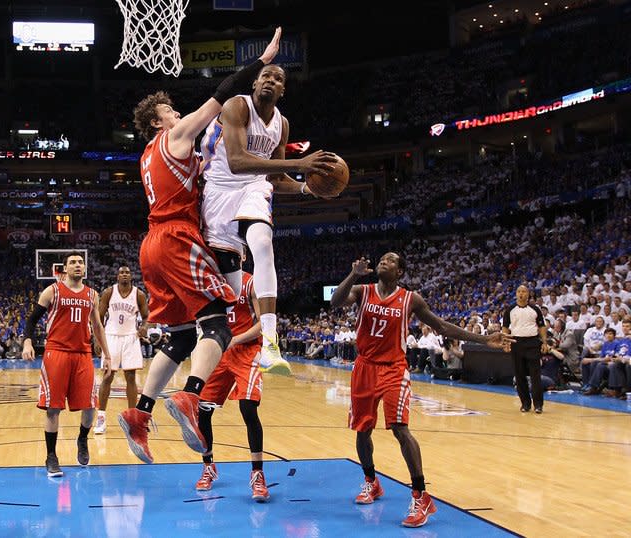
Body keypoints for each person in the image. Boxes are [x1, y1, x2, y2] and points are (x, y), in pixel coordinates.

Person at [117, 30, 283, 465]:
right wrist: (260, 61)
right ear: (159, 121)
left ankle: (140, 413)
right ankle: (191, 398)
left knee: (179, 336)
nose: (177, 112)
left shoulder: (148, 156)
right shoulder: (176, 135)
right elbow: (221, 94)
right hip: (175, 238)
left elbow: (195, 173)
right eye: (170, 110)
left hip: (150, 245)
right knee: (218, 326)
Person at [331, 253, 513, 528]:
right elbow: (334, 302)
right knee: (362, 429)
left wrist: (485, 339)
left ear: (400, 272)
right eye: (382, 259)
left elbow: (441, 325)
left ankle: (420, 495)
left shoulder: (410, 299)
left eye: (390, 261)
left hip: (394, 368)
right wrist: (354, 274)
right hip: (364, 367)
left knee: (400, 428)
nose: (383, 262)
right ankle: (371, 482)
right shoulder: (362, 290)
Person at [199, 60, 338, 376]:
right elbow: (236, 162)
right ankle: (200, 342)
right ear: (254, 83)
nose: (271, 81)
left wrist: (306, 188)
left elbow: (273, 179)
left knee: (262, 243)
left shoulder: (281, 124)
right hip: (219, 192)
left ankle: (270, 342)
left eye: (278, 78)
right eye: (266, 76)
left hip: (253, 186)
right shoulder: (237, 106)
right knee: (229, 292)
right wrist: (300, 164)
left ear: (283, 89)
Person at [22, 251, 113, 478]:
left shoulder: (92, 294)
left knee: (91, 405)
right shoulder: (52, 291)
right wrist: (27, 342)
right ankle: (51, 456)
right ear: (64, 268)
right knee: (53, 408)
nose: (77, 265)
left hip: (83, 353)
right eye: (72, 262)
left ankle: (82, 440)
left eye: (80, 262)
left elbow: (98, 326)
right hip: (57, 352)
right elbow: (32, 319)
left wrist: (108, 355)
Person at [194, 272, 268, 501]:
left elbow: (263, 324)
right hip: (220, 351)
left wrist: (234, 339)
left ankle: (258, 474)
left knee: (247, 408)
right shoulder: (210, 284)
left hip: (248, 350)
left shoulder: (251, 282)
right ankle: (208, 466)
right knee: (202, 410)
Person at [94, 265, 149, 435]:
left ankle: (132, 418)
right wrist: (97, 339)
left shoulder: (138, 294)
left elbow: (147, 316)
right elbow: (99, 316)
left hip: (130, 337)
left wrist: (144, 327)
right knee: (108, 376)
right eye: (121, 272)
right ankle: (101, 418)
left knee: (131, 377)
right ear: (117, 276)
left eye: (127, 272)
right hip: (110, 336)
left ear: (131, 276)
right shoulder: (109, 292)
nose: (124, 274)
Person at [502, 285, 548, 414]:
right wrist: (505, 343)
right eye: (519, 291)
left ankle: (538, 404)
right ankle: (525, 404)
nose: (521, 294)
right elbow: (505, 328)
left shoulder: (535, 309)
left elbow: (542, 327)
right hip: (516, 342)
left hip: (532, 342)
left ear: (528, 294)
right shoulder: (510, 310)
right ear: (516, 294)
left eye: (524, 291)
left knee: (535, 375)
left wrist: (544, 342)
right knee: (519, 375)